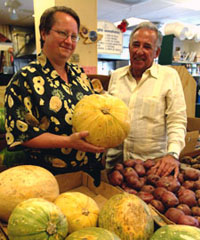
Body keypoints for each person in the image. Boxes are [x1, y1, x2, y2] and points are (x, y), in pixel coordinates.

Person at [4, 6, 105, 184]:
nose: (69, 41)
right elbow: (22, 133)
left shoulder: (79, 74)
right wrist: (68, 142)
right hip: (51, 178)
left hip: (90, 172)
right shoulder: (24, 79)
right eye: (62, 33)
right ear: (44, 33)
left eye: (74, 37)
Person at [106, 21, 187, 178]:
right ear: (129, 48)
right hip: (116, 165)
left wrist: (172, 154)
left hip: (152, 168)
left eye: (147, 47)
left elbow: (177, 121)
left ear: (156, 53)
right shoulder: (116, 76)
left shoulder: (169, 77)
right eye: (135, 45)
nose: (139, 51)